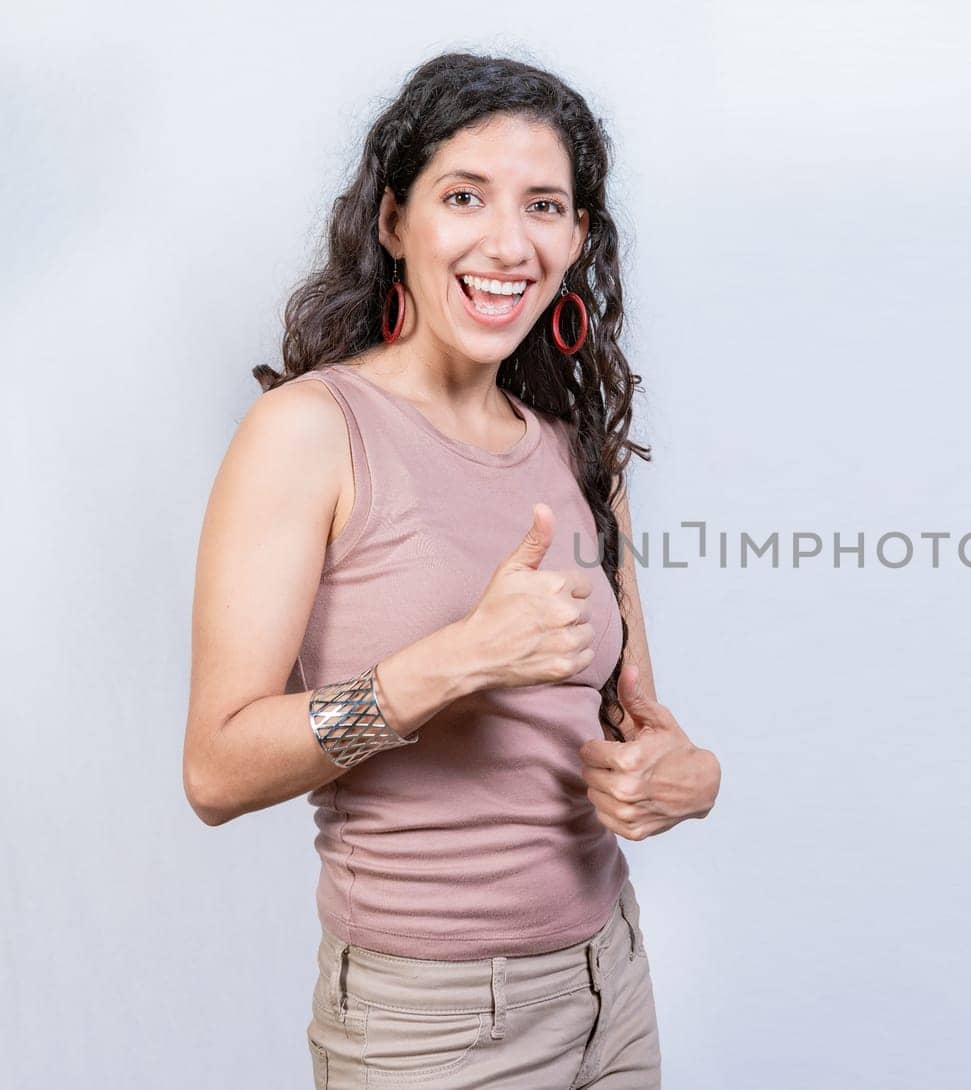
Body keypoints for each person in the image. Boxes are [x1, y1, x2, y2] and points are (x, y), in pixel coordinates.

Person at [182, 52, 721, 1089]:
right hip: (427, 1025)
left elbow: (636, 723)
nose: (506, 241)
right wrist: (455, 661)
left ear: (577, 241)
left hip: (612, 981)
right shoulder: (310, 432)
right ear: (394, 222)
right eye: (464, 195)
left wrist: (690, 779)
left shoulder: (578, 453)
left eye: (545, 206)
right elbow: (215, 768)